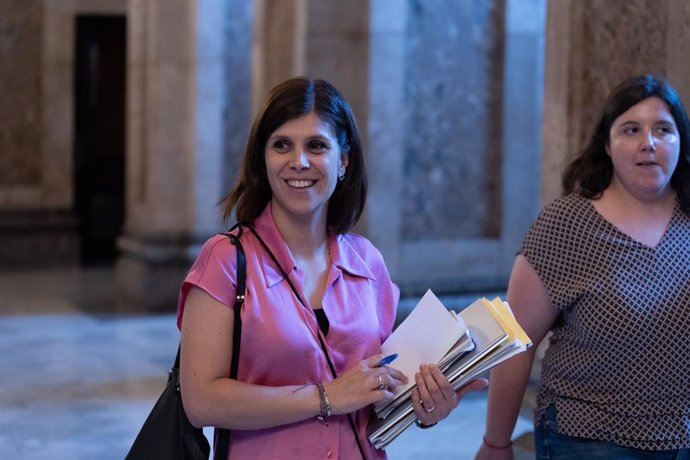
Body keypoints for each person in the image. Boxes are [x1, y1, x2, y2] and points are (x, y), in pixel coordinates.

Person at [178, 77, 486, 459]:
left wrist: (424, 408)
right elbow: (201, 401)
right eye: (282, 145)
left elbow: (373, 404)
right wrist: (326, 397)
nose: (299, 161)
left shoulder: (367, 262)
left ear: (343, 160)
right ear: (263, 158)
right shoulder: (225, 260)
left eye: (316, 146)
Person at [475, 73, 690, 460]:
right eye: (631, 129)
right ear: (607, 145)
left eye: (663, 129)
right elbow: (515, 342)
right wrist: (496, 442)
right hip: (590, 437)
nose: (649, 143)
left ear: (681, 142)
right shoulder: (567, 225)